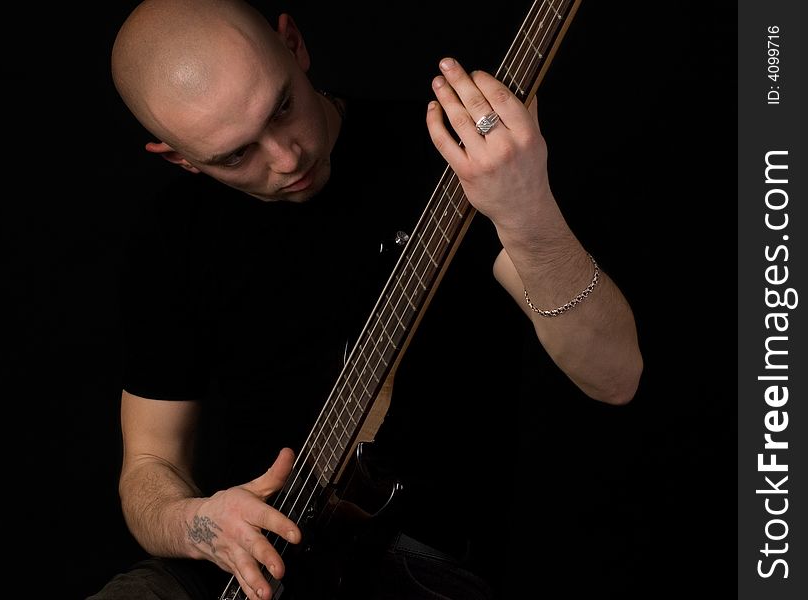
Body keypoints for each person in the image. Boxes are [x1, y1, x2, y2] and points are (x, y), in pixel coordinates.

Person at [90, 0, 643, 599]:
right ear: (180, 158)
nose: (287, 157)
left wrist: (527, 209)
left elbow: (614, 376)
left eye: (281, 108)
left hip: (419, 567)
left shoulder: (453, 162)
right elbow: (148, 468)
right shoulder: (172, 237)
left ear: (294, 43)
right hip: (232, 573)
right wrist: (200, 526)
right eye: (235, 156)